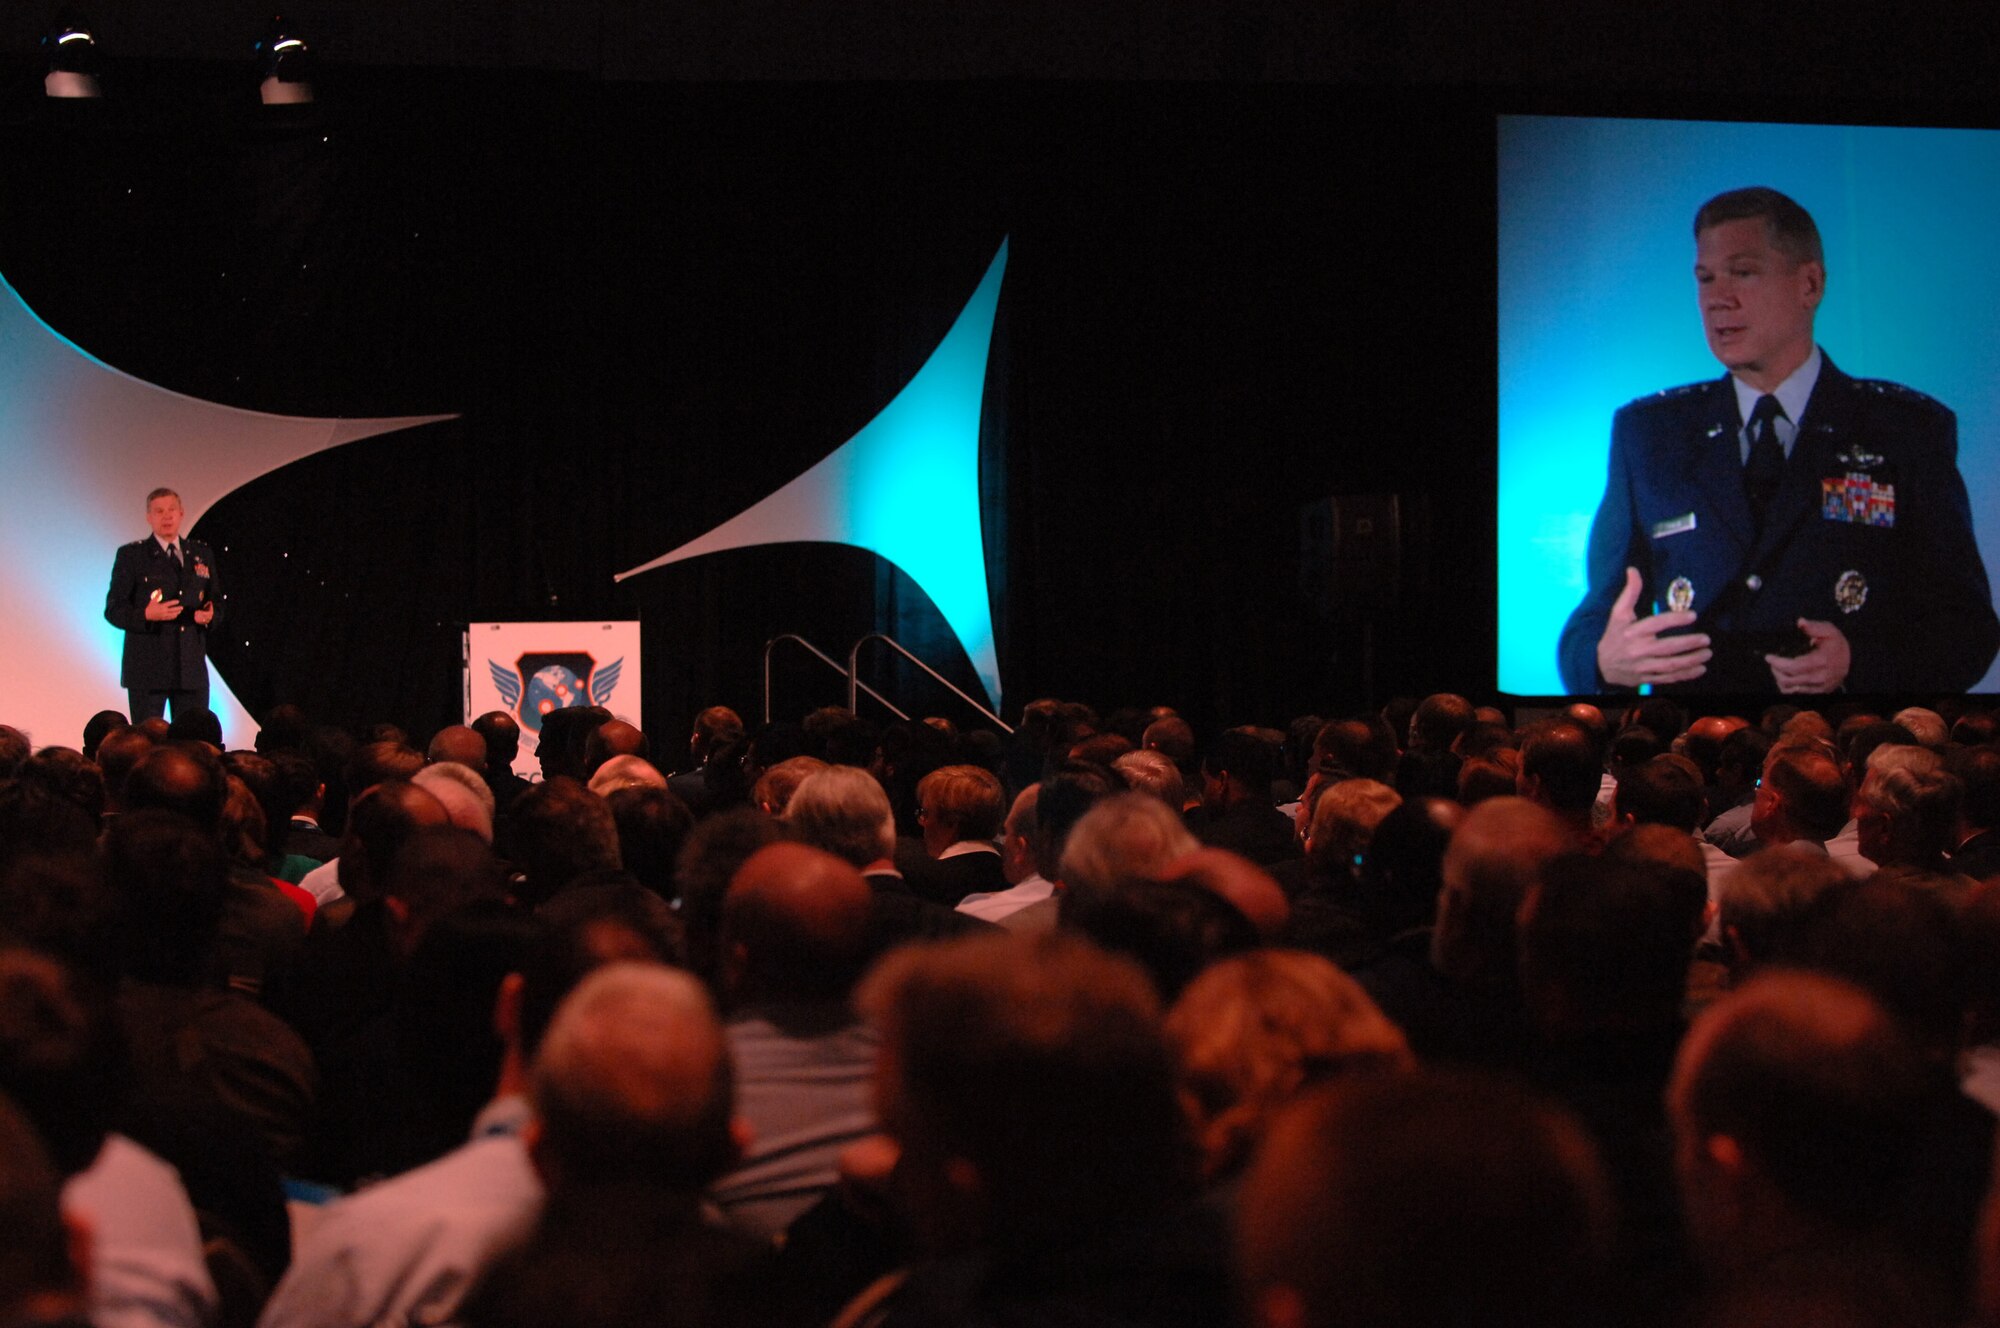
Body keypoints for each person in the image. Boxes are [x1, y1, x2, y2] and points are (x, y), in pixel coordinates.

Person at [1559, 187, 1998, 696]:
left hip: (1846, 748)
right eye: (1706, 278)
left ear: (1809, 284)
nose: (1718, 298)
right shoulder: (1652, 436)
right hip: (1696, 749)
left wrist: (1859, 663)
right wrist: (1604, 661)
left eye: (1742, 272)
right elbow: (1595, 620)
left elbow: (1967, 630)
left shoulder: (1903, 431)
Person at [103, 489, 222, 723]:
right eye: (159, 511)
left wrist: (210, 616)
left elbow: (216, 601)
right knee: (147, 744)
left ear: (181, 513)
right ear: (149, 517)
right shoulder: (132, 555)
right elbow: (114, 610)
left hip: (190, 669)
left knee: (193, 743)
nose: (166, 516)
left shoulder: (201, 553)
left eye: (171, 511)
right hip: (148, 669)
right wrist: (146, 614)